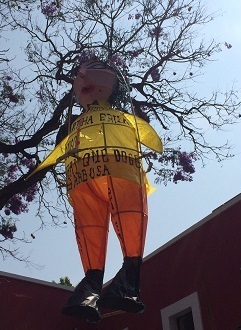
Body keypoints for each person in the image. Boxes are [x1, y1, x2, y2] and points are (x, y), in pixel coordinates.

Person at [37, 58, 163, 322]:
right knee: (92, 231)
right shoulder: (75, 124)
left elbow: (151, 140)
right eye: (81, 76)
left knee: (127, 226)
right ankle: (92, 289)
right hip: (88, 178)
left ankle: (119, 285)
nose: (83, 77)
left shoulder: (122, 119)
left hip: (120, 172)